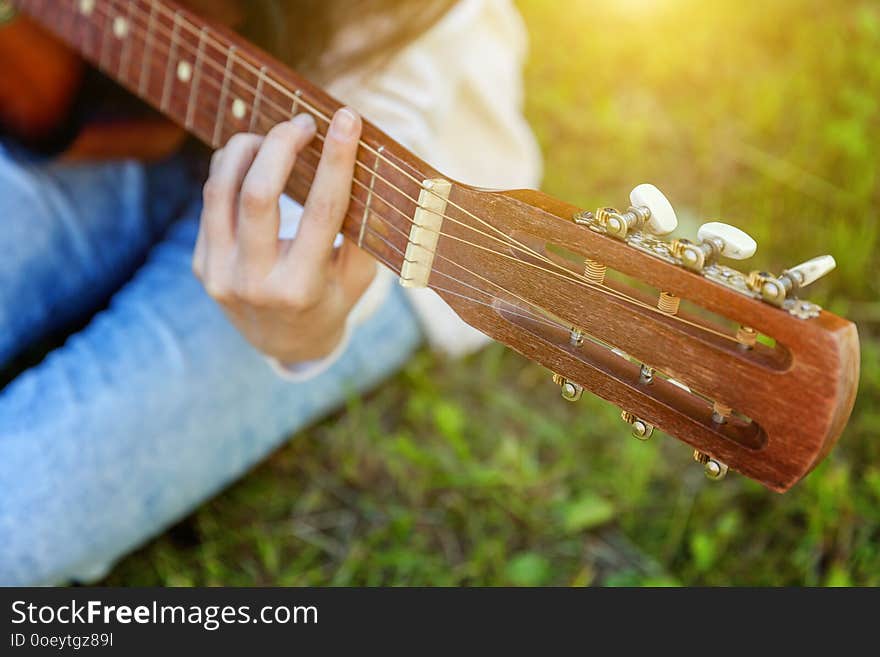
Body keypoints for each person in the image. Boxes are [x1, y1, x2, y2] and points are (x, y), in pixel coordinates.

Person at [0, 0, 541, 585]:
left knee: (17, 519)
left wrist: (304, 324)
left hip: (369, 154)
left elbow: (385, 116)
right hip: (103, 79)